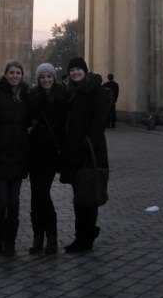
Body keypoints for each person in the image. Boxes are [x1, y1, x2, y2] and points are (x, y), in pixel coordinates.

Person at [59, 56, 108, 253]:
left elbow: (99, 122)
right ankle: (84, 235)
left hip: (89, 152)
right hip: (73, 153)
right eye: (72, 70)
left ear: (85, 71)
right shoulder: (71, 92)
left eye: (78, 69)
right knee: (80, 197)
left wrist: (87, 143)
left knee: (87, 196)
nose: (75, 72)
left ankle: (85, 237)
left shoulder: (96, 92)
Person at [0, 60, 29, 257]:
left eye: (17, 73)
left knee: (14, 202)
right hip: (0, 158)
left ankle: (10, 241)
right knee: (2, 201)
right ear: (5, 74)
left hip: (18, 157)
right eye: (11, 72)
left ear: (22, 75)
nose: (14, 76)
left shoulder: (26, 96)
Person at [27, 62, 68, 255]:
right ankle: (38, 237)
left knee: (42, 193)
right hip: (34, 152)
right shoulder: (32, 96)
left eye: (49, 76)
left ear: (54, 77)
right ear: (38, 78)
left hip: (52, 152)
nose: (46, 79)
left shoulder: (63, 96)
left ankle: (51, 236)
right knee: (36, 196)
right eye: (42, 76)